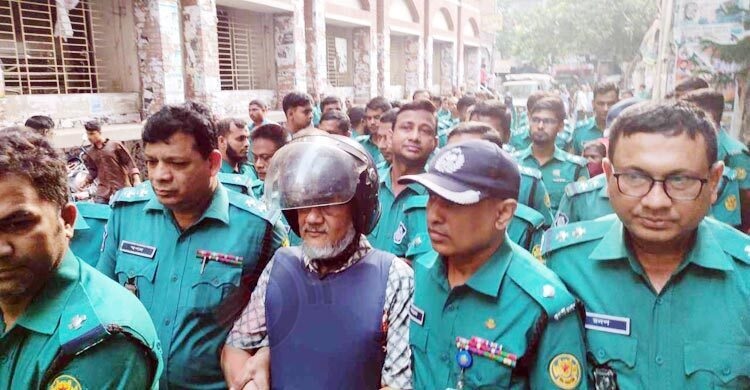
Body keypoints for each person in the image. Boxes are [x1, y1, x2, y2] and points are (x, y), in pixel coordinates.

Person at [542, 101, 750, 389]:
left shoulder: (745, 277)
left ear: (714, 182)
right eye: (635, 177)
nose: (656, 202)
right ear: (608, 176)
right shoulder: (564, 266)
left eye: (680, 180)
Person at [96, 103, 287, 389]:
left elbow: (281, 322)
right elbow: (103, 299)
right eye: (151, 162)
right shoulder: (127, 213)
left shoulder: (258, 229)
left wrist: (264, 356)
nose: (160, 175)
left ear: (212, 163)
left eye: (177, 163)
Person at [222, 134, 413, 390]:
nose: (312, 218)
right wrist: (249, 383)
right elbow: (235, 347)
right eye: (304, 204)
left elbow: (397, 384)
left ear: (357, 209)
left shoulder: (394, 276)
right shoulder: (280, 266)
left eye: (328, 205)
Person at [401, 140, 588, 389]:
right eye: (432, 197)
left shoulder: (540, 306)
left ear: (503, 214)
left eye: (454, 203)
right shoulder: (420, 273)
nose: (434, 215)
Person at [0, 129, 162, 389]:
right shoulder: (91, 153)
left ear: (67, 220)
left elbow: (130, 169)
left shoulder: (99, 340)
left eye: (19, 224)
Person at [446, 123, 547, 253]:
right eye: (451, 155)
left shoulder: (524, 227)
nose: (456, 163)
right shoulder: (429, 212)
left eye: (469, 157)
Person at [368, 100, 437, 261]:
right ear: (391, 136)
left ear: (435, 143)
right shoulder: (367, 184)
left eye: (425, 131)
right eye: (406, 128)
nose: (414, 137)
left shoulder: (439, 200)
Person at [469, 100, 554, 227]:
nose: (480, 139)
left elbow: (546, 232)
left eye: (489, 133)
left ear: (507, 136)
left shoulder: (529, 183)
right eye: (472, 131)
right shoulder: (450, 178)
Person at [681, 88, 750, 232]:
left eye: (689, 115)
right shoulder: (684, 144)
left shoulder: (734, 153)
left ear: (708, 117)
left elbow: (745, 200)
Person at [515, 96, 589, 214]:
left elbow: (582, 211)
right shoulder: (512, 163)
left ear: (561, 126)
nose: (540, 126)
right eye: (535, 120)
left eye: (548, 121)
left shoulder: (576, 168)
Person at [80, 120, 141, 204]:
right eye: (87, 134)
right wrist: (85, 181)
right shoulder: (90, 152)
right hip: (103, 190)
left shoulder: (115, 145)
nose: (89, 137)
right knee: (99, 209)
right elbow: (93, 170)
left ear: (99, 132)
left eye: (92, 133)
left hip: (121, 187)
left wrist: (136, 179)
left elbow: (129, 162)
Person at [570, 82, 619, 155]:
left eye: (610, 103)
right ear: (593, 104)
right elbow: (574, 161)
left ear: (618, 103)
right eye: (601, 104)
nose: (605, 109)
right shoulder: (580, 130)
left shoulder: (626, 131)